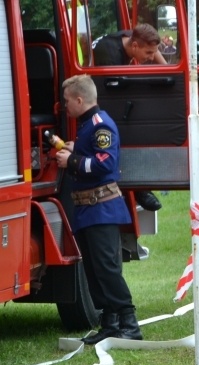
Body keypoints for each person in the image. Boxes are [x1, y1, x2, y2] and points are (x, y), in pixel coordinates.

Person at [53, 75, 143, 344]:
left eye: (67, 101)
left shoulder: (100, 125)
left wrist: (73, 160)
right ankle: (110, 324)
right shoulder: (86, 127)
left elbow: (106, 164)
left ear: (80, 100)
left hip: (101, 209)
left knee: (107, 269)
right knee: (93, 270)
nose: (64, 106)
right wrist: (75, 149)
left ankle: (129, 323)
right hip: (87, 211)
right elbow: (93, 153)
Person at [92, 23, 164, 213]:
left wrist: (166, 69)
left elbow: (149, 47)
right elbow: (113, 93)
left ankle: (141, 185)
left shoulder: (130, 37)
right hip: (95, 104)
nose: (150, 58)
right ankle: (139, 188)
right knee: (129, 131)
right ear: (134, 47)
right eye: (148, 53)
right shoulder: (109, 54)